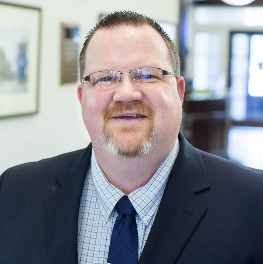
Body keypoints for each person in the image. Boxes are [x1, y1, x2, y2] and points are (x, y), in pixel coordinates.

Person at [1, 11, 263, 264]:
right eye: (105, 78)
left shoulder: (253, 203)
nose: (126, 93)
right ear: (82, 98)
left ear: (179, 92)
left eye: (148, 75)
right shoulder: (14, 192)